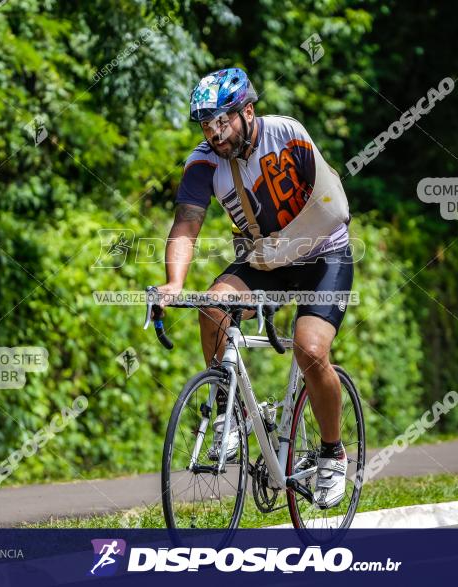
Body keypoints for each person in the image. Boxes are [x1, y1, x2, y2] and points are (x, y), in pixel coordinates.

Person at [154, 67, 353, 509]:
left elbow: (332, 203)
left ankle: (332, 453)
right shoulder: (204, 161)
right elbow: (187, 225)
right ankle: (229, 417)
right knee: (212, 307)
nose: (214, 132)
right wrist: (174, 283)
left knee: (311, 350)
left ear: (248, 111)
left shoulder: (287, 134)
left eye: (221, 121)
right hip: (266, 259)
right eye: (206, 124)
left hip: (323, 254)